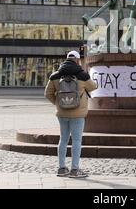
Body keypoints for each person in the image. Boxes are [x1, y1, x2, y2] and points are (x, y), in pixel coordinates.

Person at [45, 50, 97, 178]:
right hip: (78, 114)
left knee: (63, 139)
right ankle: (75, 170)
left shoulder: (55, 75)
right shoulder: (82, 75)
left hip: (62, 113)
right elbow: (93, 87)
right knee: (77, 140)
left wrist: (58, 104)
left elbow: (47, 93)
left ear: (66, 59)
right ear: (78, 60)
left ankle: (62, 168)